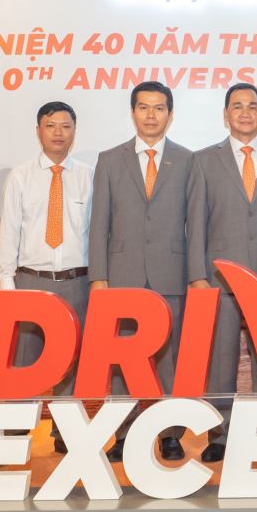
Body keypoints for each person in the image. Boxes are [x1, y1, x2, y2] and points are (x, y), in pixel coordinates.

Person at [186, 84, 257, 463]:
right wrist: (198, 275)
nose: (245, 112)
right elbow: (196, 224)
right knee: (221, 361)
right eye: (237, 106)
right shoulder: (204, 161)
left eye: (253, 106)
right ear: (226, 115)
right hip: (218, 279)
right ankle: (220, 435)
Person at [88, 82, 191, 463]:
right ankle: (124, 433)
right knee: (122, 362)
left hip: (171, 274)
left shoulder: (187, 160)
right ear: (133, 112)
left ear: (170, 114)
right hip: (122, 276)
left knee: (169, 361)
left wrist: (195, 275)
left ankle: (170, 435)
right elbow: (99, 224)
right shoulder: (109, 160)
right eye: (144, 107)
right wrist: (99, 276)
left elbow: (195, 223)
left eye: (159, 108)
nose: (151, 115)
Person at [0, 100, 91, 454]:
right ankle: (15, 434)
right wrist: (7, 284)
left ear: (74, 132)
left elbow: (97, 232)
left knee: (72, 361)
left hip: (77, 282)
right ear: (38, 131)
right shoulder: (20, 177)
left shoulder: (88, 176)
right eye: (51, 126)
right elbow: (9, 231)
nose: (58, 133)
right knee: (25, 361)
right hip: (30, 282)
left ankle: (65, 434)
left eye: (65, 126)